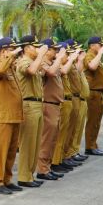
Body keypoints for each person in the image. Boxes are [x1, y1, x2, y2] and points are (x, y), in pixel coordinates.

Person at [0, 37, 24, 195]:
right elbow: (0, 70)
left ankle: (6, 179)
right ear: (3, 52)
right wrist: (11, 56)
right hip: (0, 118)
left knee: (9, 152)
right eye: (11, 50)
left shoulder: (11, 69)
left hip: (12, 116)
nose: (15, 54)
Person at [14, 35, 48, 188]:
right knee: (28, 143)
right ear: (27, 48)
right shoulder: (23, 61)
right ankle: (24, 176)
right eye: (35, 47)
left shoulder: (34, 61)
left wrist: (41, 58)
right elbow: (31, 71)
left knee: (35, 143)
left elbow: (44, 72)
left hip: (37, 104)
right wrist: (41, 55)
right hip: (28, 104)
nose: (38, 49)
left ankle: (30, 175)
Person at [36, 39, 70, 181]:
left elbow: (62, 71)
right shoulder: (42, 62)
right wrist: (60, 58)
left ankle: (47, 167)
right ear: (47, 50)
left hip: (55, 105)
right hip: (48, 105)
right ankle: (42, 169)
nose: (56, 52)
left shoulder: (51, 63)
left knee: (52, 139)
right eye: (54, 50)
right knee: (46, 139)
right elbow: (50, 73)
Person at [52, 42, 79, 174]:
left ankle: (61, 158)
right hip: (62, 102)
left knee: (65, 133)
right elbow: (63, 71)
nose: (67, 57)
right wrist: (71, 59)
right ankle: (55, 161)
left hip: (68, 100)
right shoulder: (58, 65)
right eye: (65, 54)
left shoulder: (63, 64)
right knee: (60, 133)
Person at [84, 36, 103, 155]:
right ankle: (90, 147)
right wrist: (100, 53)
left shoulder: (94, 56)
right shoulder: (89, 55)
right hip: (93, 93)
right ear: (92, 45)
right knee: (92, 121)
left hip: (99, 93)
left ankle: (93, 145)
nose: (101, 47)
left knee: (96, 121)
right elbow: (92, 67)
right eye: (99, 45)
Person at [68, 42, 91, 163]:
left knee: (78, 128)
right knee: (74, 129)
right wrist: (80, 59)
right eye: (77, 50)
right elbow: (77, 71)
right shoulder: (72, 64)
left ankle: (74, 151)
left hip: (82, 99)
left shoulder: (74, 64)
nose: (80, 53)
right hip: (76, 99)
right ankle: (71, 152)